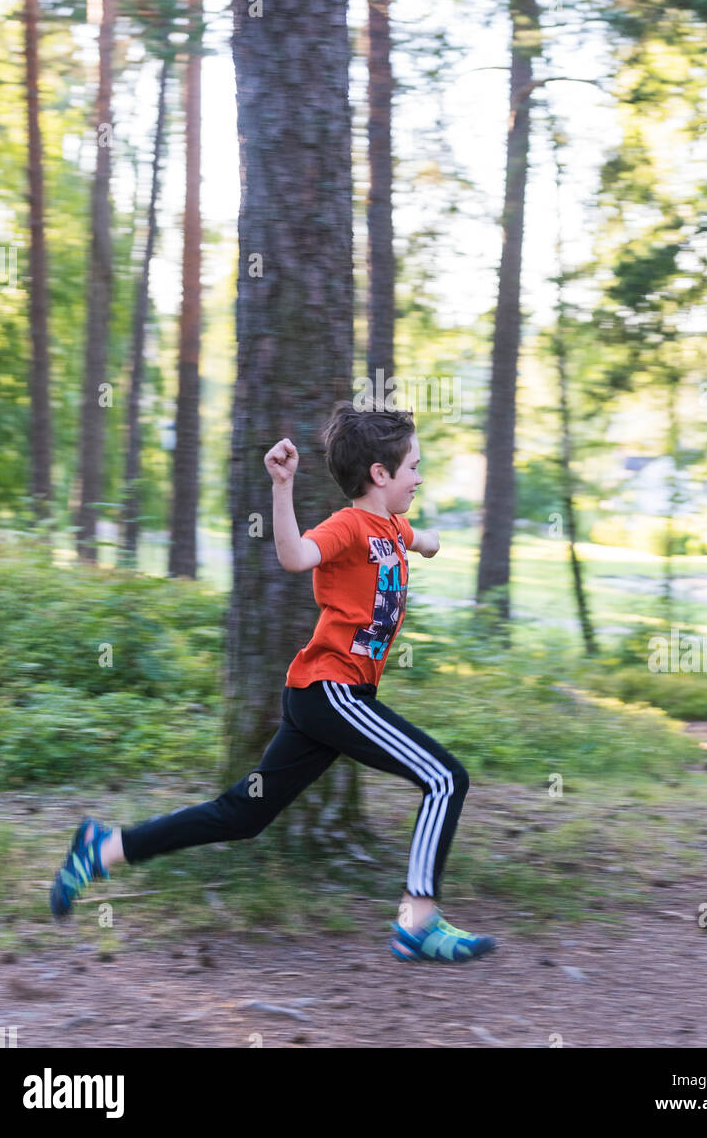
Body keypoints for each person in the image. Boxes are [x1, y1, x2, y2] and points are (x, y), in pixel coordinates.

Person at [49, 402, 496, 964]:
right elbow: (295, 555)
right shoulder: (348, 525)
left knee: (244, 814)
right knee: (445, 778)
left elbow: (418, 539)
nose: (420, 476)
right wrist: (282, 487)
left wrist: (427, 541)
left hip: (326, 700)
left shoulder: (391, 526)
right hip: (331, 692)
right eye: (413, 467)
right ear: (380, 475)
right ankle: (418, 921)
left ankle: (103, 849)